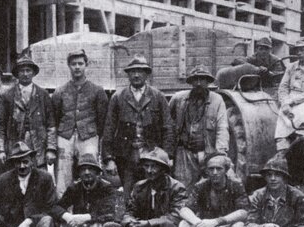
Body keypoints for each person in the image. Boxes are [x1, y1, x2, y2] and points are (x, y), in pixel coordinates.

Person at [100, 148, 186, 227]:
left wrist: (148, 223)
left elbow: (175, 216)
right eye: (147, 166)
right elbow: (129, 211)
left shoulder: (176, 188)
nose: (149, 170)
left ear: (163, 169)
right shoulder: (139, 186)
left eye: (154, 167)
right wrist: (130, 223)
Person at [101, 56, 173, 194]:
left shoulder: (158, 96)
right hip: (126, 155)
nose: (136, 75)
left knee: (154, 191)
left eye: (140, 71)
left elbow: (168, 127)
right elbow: (109, 128)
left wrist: (168, 155)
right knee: (130, 192)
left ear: (147, 74)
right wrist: (109, 158)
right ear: (128, 74)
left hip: (152, 154)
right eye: (132, 72)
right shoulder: (118, 97)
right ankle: (130, 215)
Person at [52, 49, 109, 197]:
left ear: (86, 65)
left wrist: (95, 135)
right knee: (63, 175)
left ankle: (92, 206)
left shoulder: (97, 91)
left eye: (80, 63)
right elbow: (55, 117)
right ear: (68, 66)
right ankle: (64, 211)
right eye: (73, 64)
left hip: (89, 137)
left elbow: (102, 119)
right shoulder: (60, 91)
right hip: (65, 136)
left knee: (90, 171)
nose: (77, 67)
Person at [168, 65, 229, 187]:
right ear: (191, 82)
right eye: (195, 80)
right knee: (182, 186)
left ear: (208, 82)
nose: (199, 83)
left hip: (208, 152)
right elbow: (168, 125)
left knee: (208, 186)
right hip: (184, 153)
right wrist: (169, 153)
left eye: (202, 79)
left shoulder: (217, 100)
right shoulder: (178, 99)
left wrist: (220, 153)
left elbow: (222, 127)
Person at [0, 54, 56, 169]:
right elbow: (1, 126)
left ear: (33, 73)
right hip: (15, 148)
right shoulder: (8, 96)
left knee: (38, 180)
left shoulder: (43, 95)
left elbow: (51, 125)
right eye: (22, 71)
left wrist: (51, 149)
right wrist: (0, 150)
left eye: (28, 70)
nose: (25, 74)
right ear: (17, 74)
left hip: (38, 148)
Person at [274, 38, 304, 154]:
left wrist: (292, 101)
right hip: (288, 100)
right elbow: (283, 87)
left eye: (303, 50)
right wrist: (285, 102)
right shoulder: (290, 67)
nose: (299, 53)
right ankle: (282, 155)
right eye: (297, 50)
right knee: (282, 126)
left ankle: (301, 148)